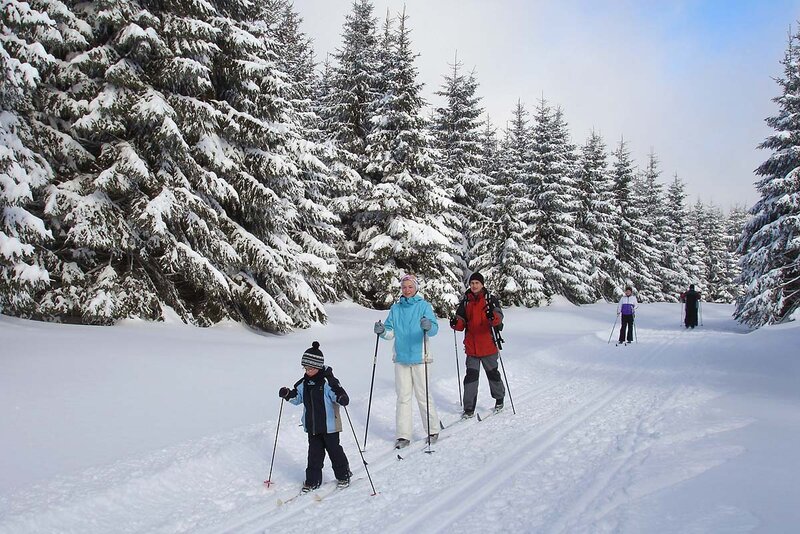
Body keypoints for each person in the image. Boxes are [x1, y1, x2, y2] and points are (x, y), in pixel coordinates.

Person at [373, 273, 440, 449]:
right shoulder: (396, 309)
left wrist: (428, 326)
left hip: (421, 357)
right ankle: (403, 435)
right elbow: (390, 332)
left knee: (423, 395)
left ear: (416, 288)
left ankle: (432, 430)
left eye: (410, 287)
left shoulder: (423, 306)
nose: (407, 290)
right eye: (404, 287)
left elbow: (434, 329)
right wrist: (382, 331)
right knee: (403, 397)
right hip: (401, 358)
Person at [278, 341, 351, 492]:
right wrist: (287, 394)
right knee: (314, 455)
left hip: (330, 426)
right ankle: (312, 481)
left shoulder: (328, 382)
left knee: (334, 451)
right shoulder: (303, 383)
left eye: (310, 368)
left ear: (318, 366)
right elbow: (297, 398)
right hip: (312, 427)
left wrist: (341, 398)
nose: (308, 371)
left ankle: (344, 475)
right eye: (305, 368)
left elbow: (337, 393)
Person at [450, 272, 505, 418]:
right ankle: (469, 409)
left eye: (477, 283)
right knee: (471, 379)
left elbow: (499, 318)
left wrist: (493, 317)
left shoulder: (490, 299)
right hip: (472, 347)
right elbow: (460, 324)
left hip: (488, 345)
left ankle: (499, 399)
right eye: (472, 283)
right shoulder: (465, 302)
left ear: (482, 284)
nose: (474, 286)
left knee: (493, 375)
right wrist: (455, 323)